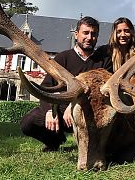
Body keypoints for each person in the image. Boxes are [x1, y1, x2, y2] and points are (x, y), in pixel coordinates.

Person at [20, 16, 113, 152]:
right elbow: (47, 88)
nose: (89, 37)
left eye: (93, 34)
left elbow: (101, 91)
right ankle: (54, 140)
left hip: (89, 113)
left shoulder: (104, 61)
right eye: (85, 33)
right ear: (76, 35)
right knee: (28, 122)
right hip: (63, 113)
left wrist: (75, 104)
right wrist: (49, 111)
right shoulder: (62, 58)